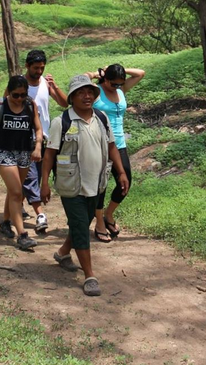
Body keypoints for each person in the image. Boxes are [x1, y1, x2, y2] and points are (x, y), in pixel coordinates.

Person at [40, 75, 129, 296]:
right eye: (81, 92)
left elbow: (112, 147)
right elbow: (49, 155)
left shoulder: (101, 118)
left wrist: (121, 172)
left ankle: (62, 253)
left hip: (96, 184)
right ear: (71, 97)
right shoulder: (62, 123)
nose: (87, 96)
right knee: (81, 226)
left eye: (90, 92)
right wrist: (44, 184)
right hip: (71, 186)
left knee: (83, 223)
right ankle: (90, 275)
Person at [0, 75, 44, 251]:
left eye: (23, 95)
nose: (19, 99)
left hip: (24, 153)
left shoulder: (30, 105)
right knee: (16, 191)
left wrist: (38, 146)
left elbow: (38, 128)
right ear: (8, 92)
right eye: (16, 95)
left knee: (15, 191)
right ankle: (22, 235)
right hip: (3, 152)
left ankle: (6, 222)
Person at [85, 64, 145, 242]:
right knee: (100, 186)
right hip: (100, 144)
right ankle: (99, 224)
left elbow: (141, 73)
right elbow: (82, 77)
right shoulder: (96, 91)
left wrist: (121, 71)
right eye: (114, 84)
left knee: (125, 182)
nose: (117, 87)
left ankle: (108, 215)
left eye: (120, 84)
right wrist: (97, 74)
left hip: (119, 144)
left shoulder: (120, 90)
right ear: (106, 80)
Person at [14, 50, 69, 233]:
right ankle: (40, 214)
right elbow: (7, 103)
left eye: (42, 68)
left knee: (32, 176)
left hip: (45, 137)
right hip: (23, 138)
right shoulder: (19, 84)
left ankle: (15, 206)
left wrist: (55, 86)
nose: (39, 71)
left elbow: (64, 103)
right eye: (36, 68)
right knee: (31, 177)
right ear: (27, 66)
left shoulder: (46, 82)